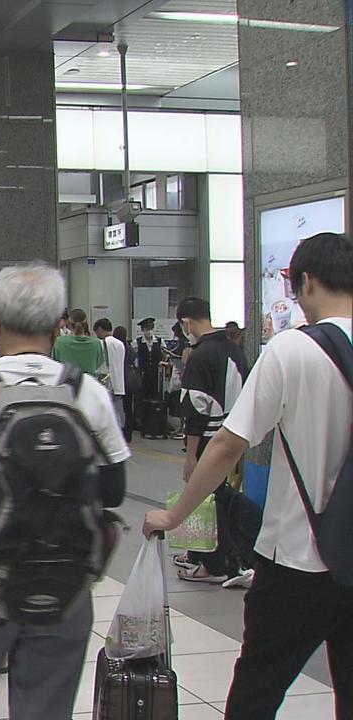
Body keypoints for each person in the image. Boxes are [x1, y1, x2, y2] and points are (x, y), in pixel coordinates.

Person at [145, 232, 352, 720]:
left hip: (298, 557)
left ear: (305, 282)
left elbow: (227, 444)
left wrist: (176, 515)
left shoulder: (292, 351)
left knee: (259, 687)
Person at [0, 263, 129, 720]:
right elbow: (113, 491)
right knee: (46, 709)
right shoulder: (86, 392)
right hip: (67, 583)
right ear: (58, 325)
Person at [169, 296, 253, 587]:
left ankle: (216, 563)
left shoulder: (200, 355)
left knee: (207, 497)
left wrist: (190, 455)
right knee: (217, 495)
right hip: (235, 433)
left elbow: (195, 410)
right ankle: (198, 553)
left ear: (186, 322)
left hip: (208, 438)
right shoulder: (234, 349)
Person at [95, 318, 128, 431]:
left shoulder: (101, 343)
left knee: (106, 413)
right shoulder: (120, 344)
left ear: (100, 329)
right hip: (118, 383)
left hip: (105, 381)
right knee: (118, 412)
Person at [52, 308, 105, 378]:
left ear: (69, 323)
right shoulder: (96, 343)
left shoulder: (59, 342)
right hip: (90, 384)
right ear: (85, 324)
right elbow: (98, 364)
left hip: (67, 385)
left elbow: (55, 364)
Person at [113, 325, 138, 443]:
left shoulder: (113, 347)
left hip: (118, 380)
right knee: (128, 409)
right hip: (129, 381)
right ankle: (128, 434)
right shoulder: (129, 347)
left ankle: (118, 433)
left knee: (117, 408)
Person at [136, 317, 164, 400]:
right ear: (142, 330)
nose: (149, 331)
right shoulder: (137, 342)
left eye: (151, 328)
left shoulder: (159, 341)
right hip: (143, 374)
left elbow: (165, 355)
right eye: (147, 328)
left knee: (155, 395)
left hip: (156, 374)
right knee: (143, 395)